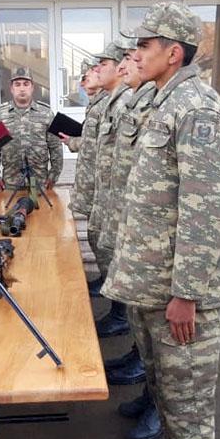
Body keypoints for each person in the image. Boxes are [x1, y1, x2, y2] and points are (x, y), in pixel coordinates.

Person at [105, 2, 220, 439]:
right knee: (165, 391)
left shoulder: (197, 110)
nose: (136, 54)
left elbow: (205, 212)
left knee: (187, 400)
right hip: (151, 285)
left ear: (173, 53)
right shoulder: (164, 102)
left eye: (144, 45)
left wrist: (186, 294)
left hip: (178, 295)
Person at [100, 42, 163, 439]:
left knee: (168, 349)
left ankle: (160, 407)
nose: (130, 62)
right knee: (144, 330)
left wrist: (188, 290)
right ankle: (148, 392)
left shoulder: (182, 107)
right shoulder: (146, 101)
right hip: (136, 233)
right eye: (126, 57)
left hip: (159, 249)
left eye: (138, 52)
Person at [87, 42, 133, 340]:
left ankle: (121, 317)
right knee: (109, 255)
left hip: (121, 201)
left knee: (118, 259)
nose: (97, 69)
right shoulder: (114, 101)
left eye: (103, 64)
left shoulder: (126, 101)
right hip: (108, 196)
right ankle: (119, 314)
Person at [0, 67, 63, 191]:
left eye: (26, 84)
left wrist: (54, 175)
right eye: (17, 84)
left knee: (41, 205)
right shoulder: (0, 114)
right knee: (11, 205)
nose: (22, 89)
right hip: (11, 182)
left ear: (32, 87)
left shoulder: (47, 113)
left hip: (39, 182)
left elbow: (56, 147)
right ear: (11, 89)